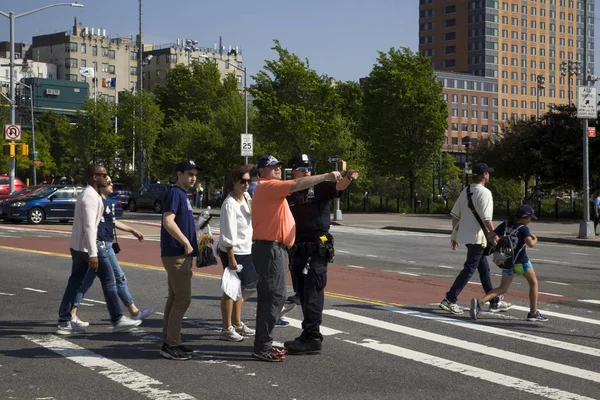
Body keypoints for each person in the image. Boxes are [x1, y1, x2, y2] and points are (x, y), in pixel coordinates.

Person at [251, 154, 342, 362]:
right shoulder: (269, 186)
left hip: (276, 248)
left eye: (278, 166)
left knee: (274, 297)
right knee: (274, 297)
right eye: (271, 166)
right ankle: (263, 346)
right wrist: (326, 175)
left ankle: (264, 344)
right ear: (261, 172)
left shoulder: (270, 188)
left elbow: (337, 188)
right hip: (271, 248)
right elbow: (298, 184)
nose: (276, 169)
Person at [284, 154, 359, 355]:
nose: (306, 170)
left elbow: (338, 187)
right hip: (297, 246)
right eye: (301, 167)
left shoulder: (320, 186)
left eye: (308, 166)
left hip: (317, 245)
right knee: (301, 292)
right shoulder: (289, 189)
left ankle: (313, 337)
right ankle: (307, 334)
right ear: (293, 171)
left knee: (313, 290)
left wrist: (349, 178)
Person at [56, 164, 142, 335]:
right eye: (103, 175)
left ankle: (64, 321)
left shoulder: (92, 195)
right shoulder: (90, 197)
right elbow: (89, 227)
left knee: (75, 282)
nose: (106, 177)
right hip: (91, 248)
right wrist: (93, 254)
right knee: (109, 280)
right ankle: (117, 319)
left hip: (80, 247)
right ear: (94, 177)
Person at [70, 175, 154, 327]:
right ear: (100, 185)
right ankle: (126, 315)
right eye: (108, 182)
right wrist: (93, 250)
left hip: (104, 244)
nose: (111, 185)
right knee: (113, 279)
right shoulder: (96, 201)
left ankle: (72, 313)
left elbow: (112, 222)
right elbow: (89, 226)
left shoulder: (105, 203)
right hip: (101, 245)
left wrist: (132, 230)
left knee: (90, 281)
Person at [439, 163, 509, 315]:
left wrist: (454, 235)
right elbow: (486, 218)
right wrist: (493, 233)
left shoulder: (466, 191)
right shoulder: (485, 193)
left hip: (467, 236)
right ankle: (450, 299)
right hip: (478, 238)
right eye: (488, 173)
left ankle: (494, 301)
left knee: (483, 268)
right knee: (470, 268)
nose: (489, 175)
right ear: (484, 175)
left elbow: (455, 215)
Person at [470, 204, 548, 322]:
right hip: (521, 261)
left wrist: (497, 243)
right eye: (530, 218)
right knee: (533, 283)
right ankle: (533, 313)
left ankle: (479, 303)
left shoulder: (505, 224)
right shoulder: (523, 228)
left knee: (502, 288)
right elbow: (530, 244)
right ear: (524, 217)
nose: (530, 220)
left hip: (507, 261)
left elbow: (492, 234)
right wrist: (535, 238)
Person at [159, 160, 200, 360]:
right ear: (179, 174)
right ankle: (172, 343)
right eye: (189, 173)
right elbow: (168, 221)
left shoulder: (183, 195)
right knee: (183, 299)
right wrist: (185, 241)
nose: (193, 177)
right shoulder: (176, 193)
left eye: (195, 174)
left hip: (178, 252)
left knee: (175, 298)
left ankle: (169, 339)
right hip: (176, 253)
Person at [218, 167, 258, 341]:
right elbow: (228, 232)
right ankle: (227, 328)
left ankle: (237, 322)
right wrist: (231, 256)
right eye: (242, 181)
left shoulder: (246, 197)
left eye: (248, 181)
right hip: (233, 251)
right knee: (230, 290)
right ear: (234, 182)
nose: (246, 184)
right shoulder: (230, 204)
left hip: (246, 248)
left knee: (247, 285)